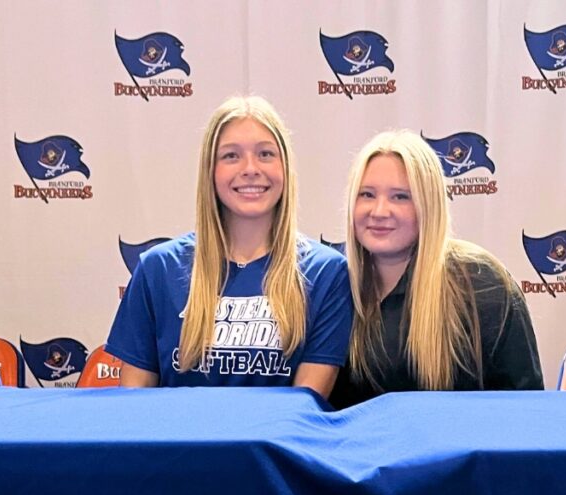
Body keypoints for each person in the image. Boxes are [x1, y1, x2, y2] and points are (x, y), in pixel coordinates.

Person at [106, 96, 351, 396]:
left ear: (285, 167)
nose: (250, 168)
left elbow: (306, 404)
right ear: (210, 170)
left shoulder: (326, 272)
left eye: (265, 154)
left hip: (275, 431)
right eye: (231, 156)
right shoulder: (158, 269)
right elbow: (135, 399)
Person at [331, 130, 543, 407]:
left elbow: (524, 405)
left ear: (429, 205)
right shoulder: (330, 282)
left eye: (400, 197)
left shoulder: (483, 284)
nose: (379, 211)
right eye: (367, 194)